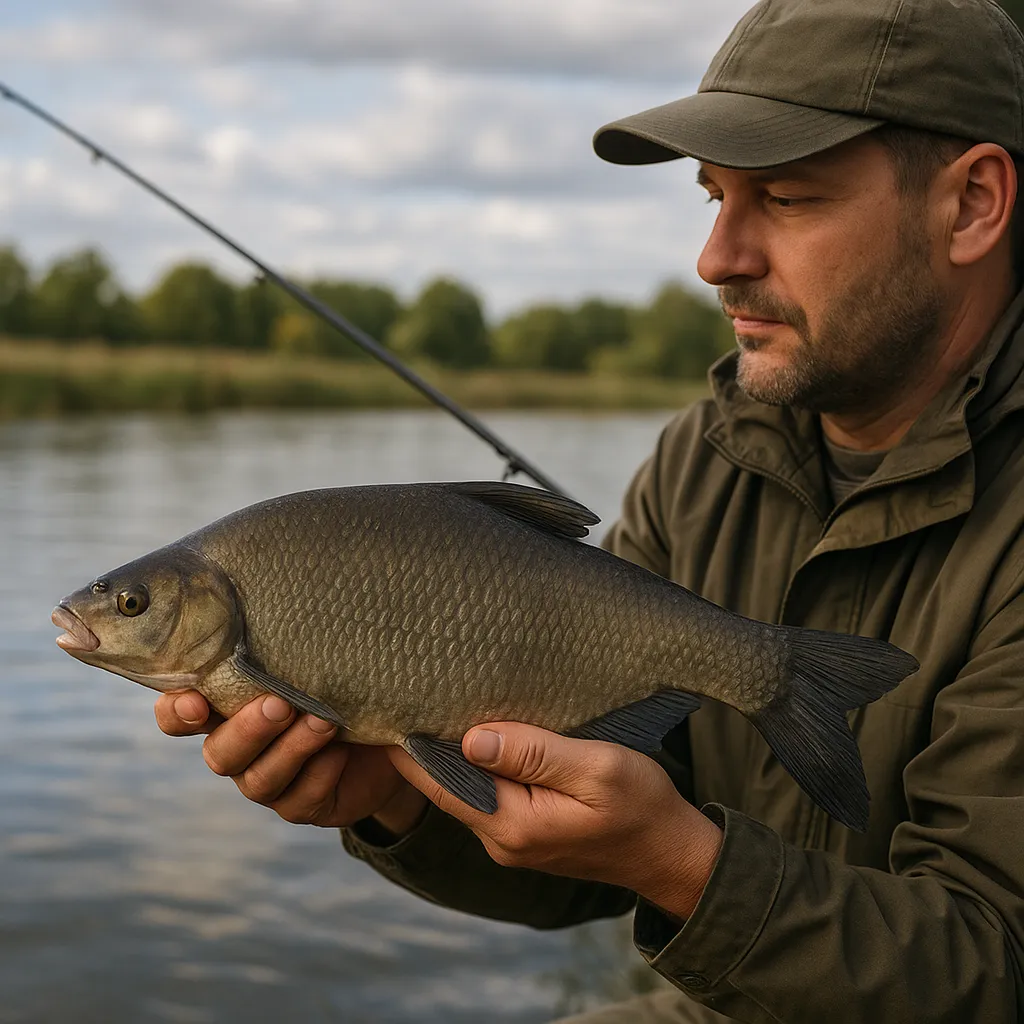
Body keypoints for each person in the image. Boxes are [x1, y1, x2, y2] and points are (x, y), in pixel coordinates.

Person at [154, 0, 1024, 1020]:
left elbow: (992, 967)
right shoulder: (709, 456)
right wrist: (400, 802)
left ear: (970, 204)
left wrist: (685, 867)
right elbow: (589, 848)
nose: (717, 256)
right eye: (712, 197)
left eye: (785, 198)